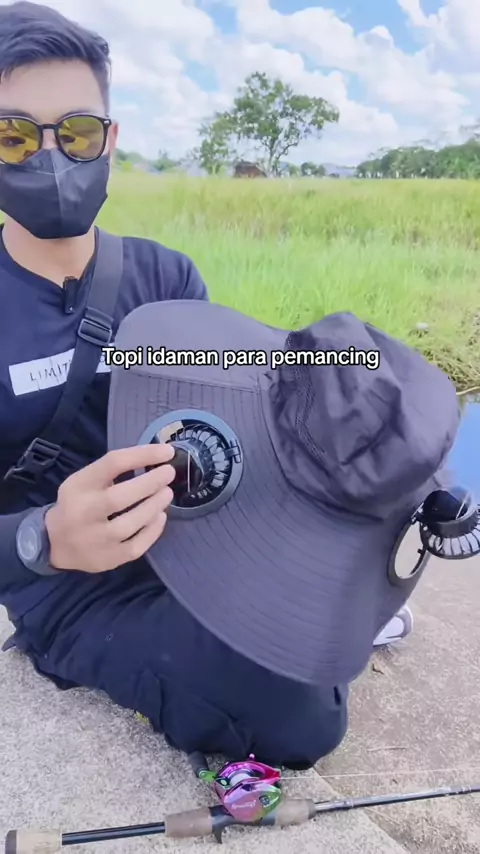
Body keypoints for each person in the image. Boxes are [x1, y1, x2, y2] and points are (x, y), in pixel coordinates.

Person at [0, 1, 411, 770]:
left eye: (76, 132)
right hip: (73, 584)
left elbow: (236, 416)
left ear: (110, 141)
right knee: (301, 715)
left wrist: (391, 463)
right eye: (15, 135)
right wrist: (41, 537)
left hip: (200, 542)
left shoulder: (165, 279)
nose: (50, 156)